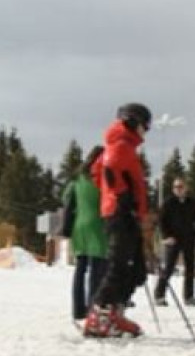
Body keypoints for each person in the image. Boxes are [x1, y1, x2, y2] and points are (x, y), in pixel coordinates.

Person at [84, 103, 152, 338]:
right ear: (134, 122)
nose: (146, 132)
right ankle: (99, 315)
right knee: (119, 265)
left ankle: (114, 312)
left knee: (136, 269)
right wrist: (122, 197)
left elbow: (96, 171)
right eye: (145, 126)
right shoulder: (121, 143)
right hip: (120, 213)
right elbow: (110, 169)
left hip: (123, 213)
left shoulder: (121, 144)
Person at [63, 146, 108, 323]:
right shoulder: (101, 179)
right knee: (97, 269)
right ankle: (92, 308)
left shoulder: (77, 179)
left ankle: (77, 309)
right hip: (98, 225)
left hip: (79, 226)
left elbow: (66, 199)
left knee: (80, 269)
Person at [154, 177, 195, 306]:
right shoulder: (168, 203)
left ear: (186, 188)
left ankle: (189, 296)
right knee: (169, 267)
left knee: (190, 268)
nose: (178, 189)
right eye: (176, 187)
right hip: (173, 239)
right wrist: (166, 236)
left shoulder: (192, 203)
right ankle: (159, 294)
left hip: (188, 238)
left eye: (181, 186)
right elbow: (161, 221)